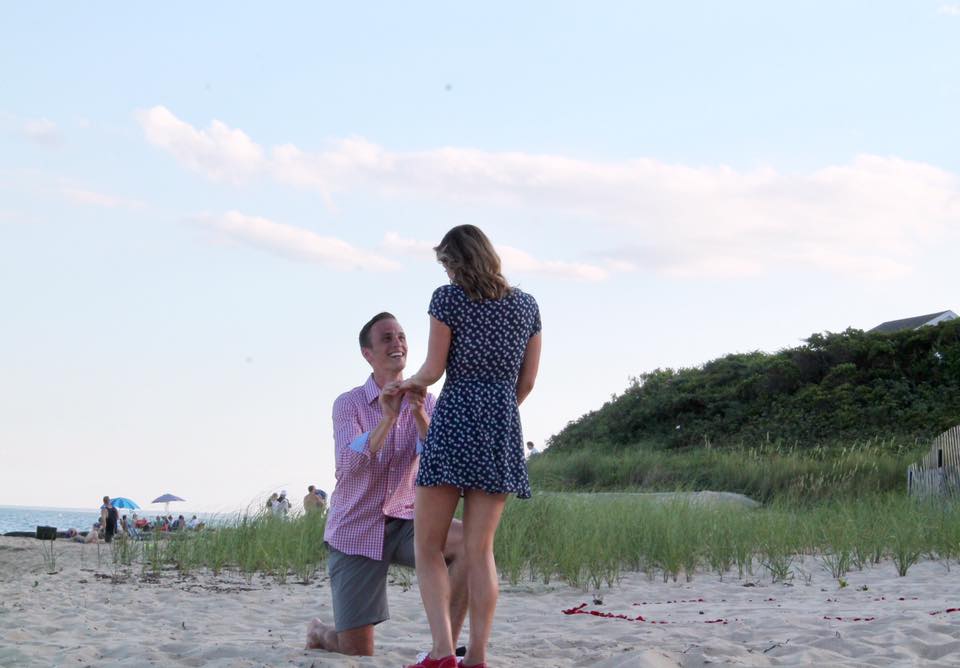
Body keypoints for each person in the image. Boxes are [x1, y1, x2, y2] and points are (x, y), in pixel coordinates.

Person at [399, 225, 542, 668]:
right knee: (481, 551)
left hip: (456, 415)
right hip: (501, 423)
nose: (446, 271)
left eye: (446, 263)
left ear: (457, 260)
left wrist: (406, 384)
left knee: (428, 547)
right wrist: (496, 408)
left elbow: (433, 369)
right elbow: (528, 382)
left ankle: (443, 653)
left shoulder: (448, 299)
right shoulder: (527, 305)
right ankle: (477, 656)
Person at [305, 312, 468, 658]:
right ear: (368, 353)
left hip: (408, 520)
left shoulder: (429, 401)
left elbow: (442, 464)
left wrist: (420, 415)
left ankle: (445, 652)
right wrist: (388, 417)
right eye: (387, 338)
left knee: (470, 543)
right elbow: (348, 466)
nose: (398, 343)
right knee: (357, 651)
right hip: (356, 529)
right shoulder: (347, 404)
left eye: (401, 336)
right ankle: (321, 632)